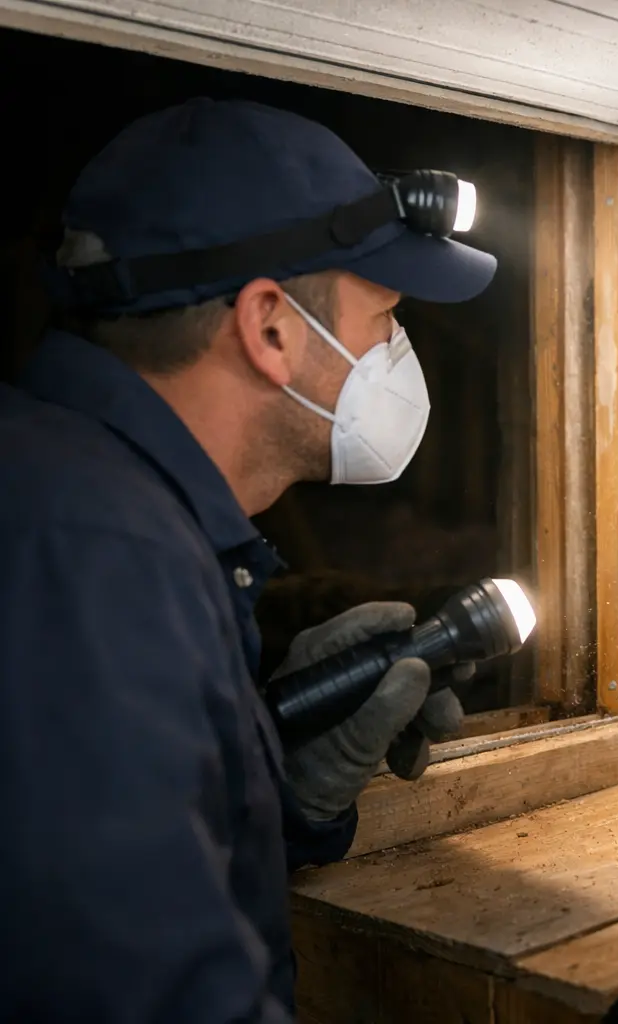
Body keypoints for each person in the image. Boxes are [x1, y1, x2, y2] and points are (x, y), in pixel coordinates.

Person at [0, 97, 498, 1021]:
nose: (395, 349)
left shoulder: (112, 509)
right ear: (270, 327)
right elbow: (134, 997)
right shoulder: (92, 553)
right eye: (384, 313)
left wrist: (278, 786)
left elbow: (101, 888)